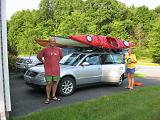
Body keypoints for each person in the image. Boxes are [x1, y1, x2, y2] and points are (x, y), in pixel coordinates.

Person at [37, 37, 63, 104]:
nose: (52, 42)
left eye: (53, 41)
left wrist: (57, 61)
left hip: (56, 69)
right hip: (48, 69)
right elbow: (39, 56)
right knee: (49, 83)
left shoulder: (58, 49)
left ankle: (53, 96)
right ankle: (48, 97)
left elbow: (61, 56)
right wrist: (43, 62)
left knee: (55, 83)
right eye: (51, 41)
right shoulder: (45, 49)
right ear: (49, 42)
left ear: (55, 42)